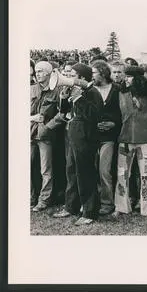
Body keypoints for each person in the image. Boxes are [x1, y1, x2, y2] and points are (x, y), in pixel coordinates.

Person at [52, 63, 104, 226]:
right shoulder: (79, 91)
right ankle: (71, 206)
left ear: (81, 77)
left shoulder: (92, 92)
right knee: (72, 173)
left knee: (85, 173)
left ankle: (89, 211)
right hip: (75, 136)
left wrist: (78, 98)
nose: (69, 77)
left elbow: (94, 115)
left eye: (73, 74)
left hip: (86, 138)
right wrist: (64, 97)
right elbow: (64, 111)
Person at [113, 72, 147, 218]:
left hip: (145, 140)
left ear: (137, 78)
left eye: (129, 76)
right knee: (122, 175)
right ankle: (121, 207)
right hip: (125, 140)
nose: (125, 78)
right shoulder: (121, 93)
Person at [92, 60, 122, 215]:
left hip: (109, 137)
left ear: (103, 73)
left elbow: (123, 112)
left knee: (105, 170)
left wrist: (114, 123)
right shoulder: (90, 89)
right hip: (92, 136)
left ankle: (107, 203)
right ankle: (94, 201)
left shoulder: (116, 89)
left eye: (94, 73)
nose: (92, 76)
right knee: (93, 169)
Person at [30, 61, 60, 211]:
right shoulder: (30, 90)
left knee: (46, 169)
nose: (37, 73)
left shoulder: (57, 90)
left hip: (45, 135)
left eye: (41, 71)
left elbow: (62, 113)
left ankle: (44, 199)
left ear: (49, 73)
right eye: (36, 71)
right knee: (27, 166)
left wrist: (49, 127)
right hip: (30, 133)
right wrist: (31, 118)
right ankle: (30, 197)